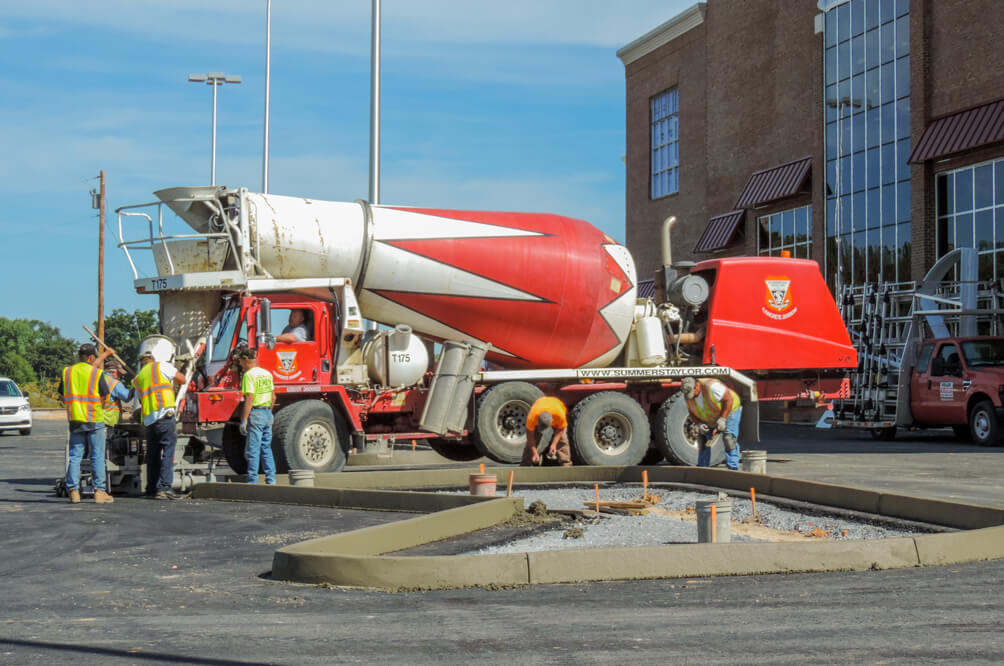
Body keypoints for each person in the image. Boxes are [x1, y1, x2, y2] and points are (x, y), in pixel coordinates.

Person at [59, 343, 117, 504]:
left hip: (75, 419)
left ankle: (74, 492)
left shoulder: (68, 372)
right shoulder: (97, 373)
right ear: (91, 357)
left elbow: (63, 396)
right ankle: (99, 492)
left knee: (75, 456)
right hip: (94, 419)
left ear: (80, 356)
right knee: (97, 456)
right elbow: (104, 397)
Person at [132, 350, 187, 499]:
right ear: (152, 358)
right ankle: (164, 488)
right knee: (168, 451)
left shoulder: (138, 379)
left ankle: (151, 489)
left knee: (153, 455)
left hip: (150, 420)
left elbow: (142, 401)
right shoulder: (161, 366)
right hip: (164, 415)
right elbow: (182, 379)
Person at [680, 376, 742, 470]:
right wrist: (698, 424)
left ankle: (733, 467)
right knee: (703, 439)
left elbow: (729, 399)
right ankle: (703, 468)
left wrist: (723, 419)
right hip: (712, 415)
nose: (691, 396)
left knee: (728, 438)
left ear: (697, 386)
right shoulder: (688, 395)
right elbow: (692, 412)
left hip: (730, 410)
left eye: (693, 393)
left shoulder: (712, 387)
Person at [236, 346, 277, 485]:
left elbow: (250, 398)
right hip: (267, 413)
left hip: (256, 413)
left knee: (253, 449)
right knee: (266, 448)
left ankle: (252, 481)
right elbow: (273, 397)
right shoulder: (267, 373)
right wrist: (269, 412)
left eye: (240, 361)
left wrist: (244, 419)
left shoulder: (249, 375)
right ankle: (271, 479)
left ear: (246, 360)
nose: (240, 364)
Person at [521, 396, 572, 467]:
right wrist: (534, 452)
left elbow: (560, 430)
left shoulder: (560, 415)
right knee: (534, 438)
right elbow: (530, 437)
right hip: (540, 403)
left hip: (557, 404)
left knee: (562, 439)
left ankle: (566, 464)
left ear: (553, 421)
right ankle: (525, 465)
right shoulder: (532, 417)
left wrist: (554, 444)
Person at [99, 360, 135, 428]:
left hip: (96, 419)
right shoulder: (114, 383)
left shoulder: (97, 378)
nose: (120, 376)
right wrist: (135, 387)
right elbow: (126, 397)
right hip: (108, 420)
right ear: (112, 372)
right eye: (119, 373)